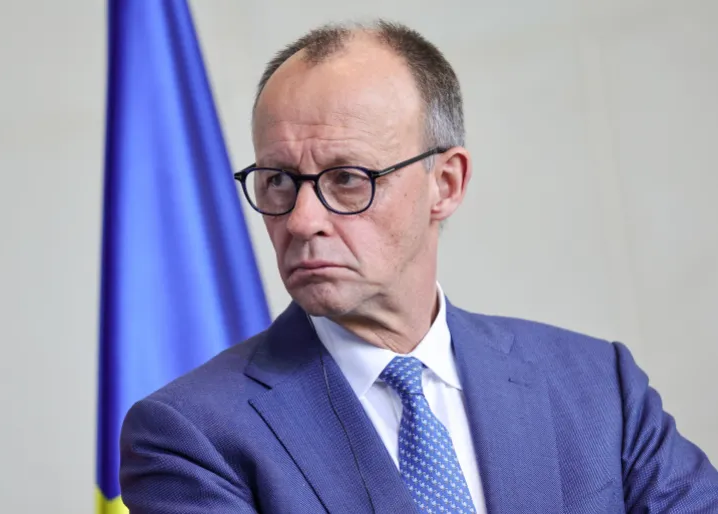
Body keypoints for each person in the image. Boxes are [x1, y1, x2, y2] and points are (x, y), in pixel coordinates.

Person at [119, 20, 718, 513]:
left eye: (347, 179)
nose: (301, 221)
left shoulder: (598, 387)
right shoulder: (189, 437)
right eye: (278, 181)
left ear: (446, 184)